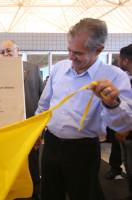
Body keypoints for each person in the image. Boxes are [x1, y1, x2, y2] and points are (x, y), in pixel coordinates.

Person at [35, 18, 132, 200]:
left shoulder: (115, 78)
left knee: (83, 194)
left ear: (99, 50)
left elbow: (123, 126)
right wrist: (35, 132)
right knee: (49, 194)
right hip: (52, 145)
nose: (71, 57)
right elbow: (44, 105)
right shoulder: (59, 69)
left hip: (83, 149)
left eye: (78, 53)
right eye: (69, 50)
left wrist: (112, 104)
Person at [0, 40, 44, 200]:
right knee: (8, 162)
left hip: (29, 124)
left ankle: (35, 194)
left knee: (32, 161)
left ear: (18, 50)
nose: (6, 54)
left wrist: (41, 127)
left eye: (9, 50)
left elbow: (42, 97)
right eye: (3, 52)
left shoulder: (33, 69)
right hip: (6, 126)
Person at [114, 44, 132, 200]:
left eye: (119, 58)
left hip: (129, 133)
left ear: (125, 60)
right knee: (127, 164)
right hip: (126, 133)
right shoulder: (128, 80)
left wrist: (127, 129)